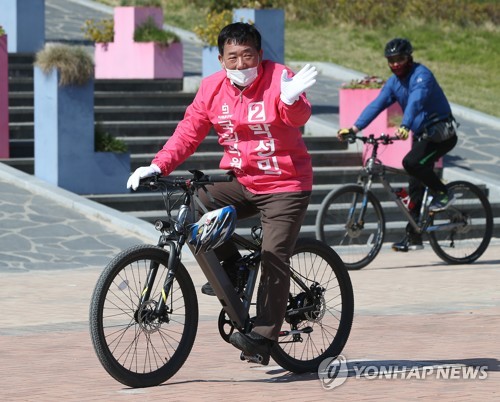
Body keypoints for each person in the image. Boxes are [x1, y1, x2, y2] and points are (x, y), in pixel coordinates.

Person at [127, 22, 317, 364]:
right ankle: (234, 269)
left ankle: (262, 336)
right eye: (234, 57)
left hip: (285, 184)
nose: (242, 64)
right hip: (242, 180)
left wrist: (289, 101)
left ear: (260, 55)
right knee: (197, 201)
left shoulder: (279, 78)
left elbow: (298, 116)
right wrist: (158, 166)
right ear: (220, 59)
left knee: (274, 255)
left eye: (249, 56)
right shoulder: (212, 89)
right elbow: (189, 131)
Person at [338, 37, 458, 252]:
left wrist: (405, 124)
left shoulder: (422, 76)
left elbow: (416, 101)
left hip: (441, 134)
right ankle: (414, 238)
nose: (395, 64)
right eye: (391, 60)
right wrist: (354, 129)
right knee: (414, 184)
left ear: (409, 57)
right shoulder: (394, 83)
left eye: (399, 59)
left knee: (411, 163)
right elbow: (376, 105)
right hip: (423, 135)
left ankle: (443, 193)